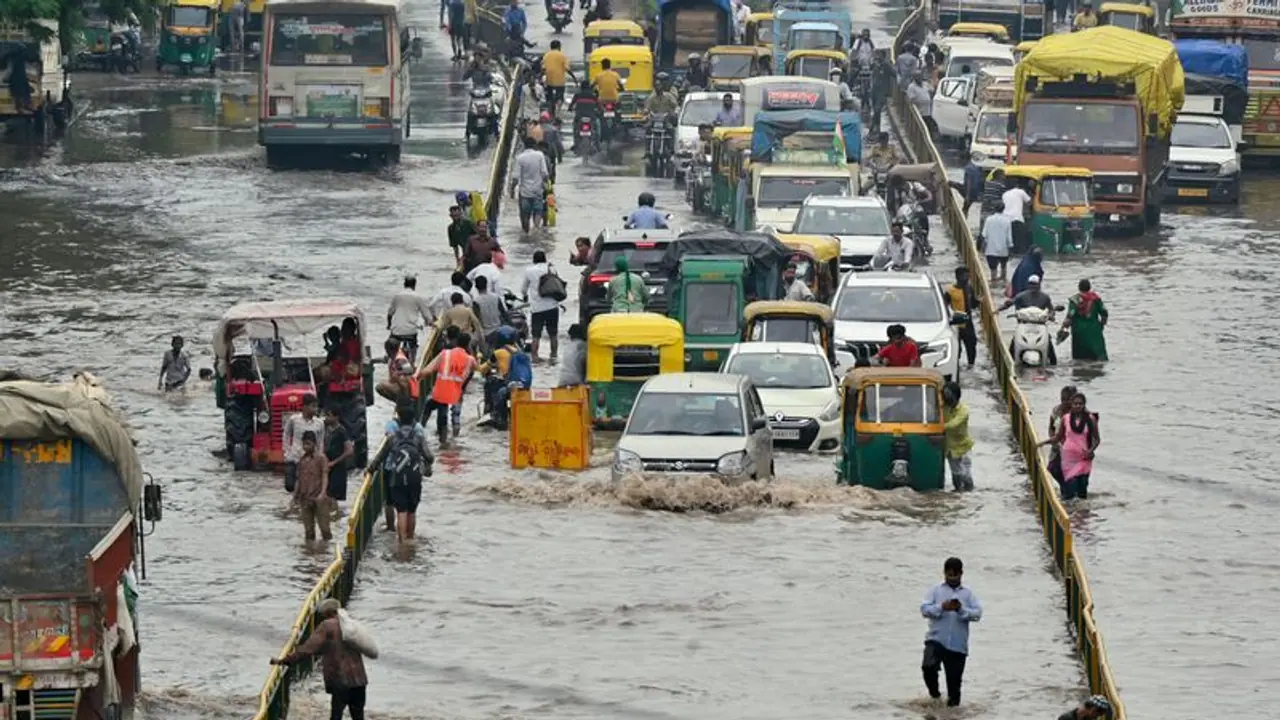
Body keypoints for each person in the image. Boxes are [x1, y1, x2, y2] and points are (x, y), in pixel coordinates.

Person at [269, 598, 370, 719]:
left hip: (342, 680)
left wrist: (285, 660)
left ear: (327, 613)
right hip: (360, 680)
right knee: (358, 715)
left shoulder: (327, 625)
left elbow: (308, 649)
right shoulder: (351, 625)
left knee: (336, 716)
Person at [920, 557, 983, 707]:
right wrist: (941, 607)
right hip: (936, 639)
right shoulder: (936, 590)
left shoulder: (968, 594)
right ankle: (935, 696)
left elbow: (977, 614)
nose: (952, 578)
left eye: (955, 575)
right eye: (949, 575)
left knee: (954, 694)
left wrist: (960, 610)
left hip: (957, 646)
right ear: (944, 573)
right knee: (928, 667)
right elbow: (924, 609)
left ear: (961, 574)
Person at [383, 401, 434, 542]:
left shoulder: (393, 437)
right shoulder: (418, 436)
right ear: (413, 419)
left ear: (398, 417)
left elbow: (381, 456)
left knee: (401, 511)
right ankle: (410, 539)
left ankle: (401, 542)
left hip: (396, 477)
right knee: (412, 510)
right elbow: (429, 456)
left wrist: (370, 469)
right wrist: (427, 466)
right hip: (414, 477)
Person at [416, 335, 476, 446]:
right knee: (444, 413)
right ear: (468, 345)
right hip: (456, 393)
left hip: (441, 389)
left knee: (432, 409)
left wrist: (416, 378)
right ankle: (444, 441)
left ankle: (424, 435)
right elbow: (474, 369)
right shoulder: (470, 360)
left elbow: (428, 371)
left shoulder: (445, 354)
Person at [1039, 392, 1100, 500]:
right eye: (1075, 404)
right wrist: (1043, 443)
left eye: (1080, 404)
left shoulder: (1091, 419)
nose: (1077, 406)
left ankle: (1082, 513)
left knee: (1082, 489)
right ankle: (1067, 511)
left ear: (1084, 405)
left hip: (1083, 458)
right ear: (1071, 404)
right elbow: (1058, 437)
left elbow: (1097, 439)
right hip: (1068, 458)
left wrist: (1091, 450)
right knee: (1070, 488)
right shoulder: (1066, 418)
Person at [521, 250, 561, 362]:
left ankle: (535, 357)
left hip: (537, 308)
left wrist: (525, 296)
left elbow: (523, 289)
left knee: (536, 335)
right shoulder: (552, 268)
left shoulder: (529, 271)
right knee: (553, 334)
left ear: (534, 259)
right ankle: (554, 356)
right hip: (552, 306)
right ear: (545, 259)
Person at [293, 431, 332, 542]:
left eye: (308, 444)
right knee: (309, 532)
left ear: (314, 444)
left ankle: (326, 552)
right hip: (305, 499)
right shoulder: (301, 461)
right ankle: (310, 553)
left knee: (325, 530)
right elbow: (298, 480)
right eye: (304, 444)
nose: (306, 447)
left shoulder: (321, 458)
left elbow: (325, 476)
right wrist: (294, 497)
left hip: (319, 498)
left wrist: (323, 493)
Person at [282, 394, 325, 493]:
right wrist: (287, 452)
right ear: (305, 407)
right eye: (313, 406)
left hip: (311, 460)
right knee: (290, 485)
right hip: (296, 457)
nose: (316, 409)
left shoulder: (319, 424)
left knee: (308, 486)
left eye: (316, 406)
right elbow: (286, 435)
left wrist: (320, 457)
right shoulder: (294, 420)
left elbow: (320, 441)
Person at [386, 276, 434, 363]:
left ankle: (391, 363)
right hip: (411, 331)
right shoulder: (417, 297)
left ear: (404, 284)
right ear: (414, 285)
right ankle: (412, 363)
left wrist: (389, 325)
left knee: (391, 348)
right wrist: (430, 322)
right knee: (413, 348)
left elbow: (390, 314)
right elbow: (427, 315)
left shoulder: (397, 296)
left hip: (397, 331)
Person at [1061, 279, 1108, 361]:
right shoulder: (1096, 299)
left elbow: (1070, 316)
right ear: (1089, 287)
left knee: (1080, 358)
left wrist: (1063, 329)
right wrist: (1101, 326)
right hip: (1094, 330)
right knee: (1098, 356)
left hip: (1079, 331)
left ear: (1079, 288)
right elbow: (1104, 313)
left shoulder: (1074, 300)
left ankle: (1080, 372)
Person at [511, 137, 550, 233]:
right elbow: (544, 173)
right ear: (534, 145)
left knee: (525, 215)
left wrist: (512, 190)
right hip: (538, 190)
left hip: (524, 192)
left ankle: (526, 233)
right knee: (538, 211)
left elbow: (516, 177)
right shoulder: (540, 155)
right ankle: (536, 229)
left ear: (525, 145)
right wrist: (547, 186)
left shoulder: (520, 158)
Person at [944, 267, 979, 367]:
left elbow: (972, 304)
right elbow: (944, 306)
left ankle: (971, 365)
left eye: (968, 276)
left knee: (972, 344)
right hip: (956, 324)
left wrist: (978, 301)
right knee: (956, 347)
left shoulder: (969, 288)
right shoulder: (950, 291)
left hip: (968, 322)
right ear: (957, 277)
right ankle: (956, 366)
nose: (967, 279)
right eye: (964, 276)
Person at [942, 383, 974, 491]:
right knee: (955, 474)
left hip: (963, 446)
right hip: (950, 447)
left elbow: (954, 424)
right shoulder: (943, 408)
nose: (945, 397)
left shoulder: (963, 410)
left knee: (966, 474)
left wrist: (938, 427)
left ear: (955, 395)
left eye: (948, 394)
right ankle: (958, 495)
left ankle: (969, 494)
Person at [1047, 384, 1077, 487]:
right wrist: (1052, 438)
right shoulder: (1056, 410)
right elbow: (1051, 426)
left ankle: (1069, 497)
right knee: (1052, 468)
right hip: (1057, 448)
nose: (1066, 402)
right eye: (1064, 399)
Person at [323, 406, 354, 506]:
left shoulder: (342, 431)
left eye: (329, 416)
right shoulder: (326, 429)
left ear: (336, 417)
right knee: (327, 496)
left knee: (333, 498)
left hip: (337, 469)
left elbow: (349, 451)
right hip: (327, 466)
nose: (326, 418)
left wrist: (334, 462)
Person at [979, 202, 1013, 281]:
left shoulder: (989, 219)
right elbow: (1009, 237)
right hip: (1003, 250)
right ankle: (1003, 283)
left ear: (994, 209)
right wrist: (1010, 248)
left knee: (993, 271)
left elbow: (984, 235)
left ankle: (993, 286)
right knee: (1003, 267)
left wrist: (982, 248)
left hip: (991, 249)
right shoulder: (1007, 221)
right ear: (1003, 209)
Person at [471, 275, 507, 347]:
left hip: (486, 333)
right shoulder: (496, 297)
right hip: (498, 330)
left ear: (476, 286)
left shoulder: (476, 301)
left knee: (471, 345)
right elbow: (504, 314)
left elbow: (477, 321)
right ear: (487, 284)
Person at [1002, 179, 1032, 253]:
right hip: (1017, 219)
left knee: (1010, 242)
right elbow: (1029, 202)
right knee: (1020, 242)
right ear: (1017, 185)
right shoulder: (1020, 191)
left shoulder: (1005, 194)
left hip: (1005, 219)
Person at [868, 49, 894, 132]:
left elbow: (894, 73)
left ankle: (872, 127)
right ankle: (877, 128)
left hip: (882, 92)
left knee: (877, 109)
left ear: (883, 56)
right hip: (874, 91)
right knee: (876, 111)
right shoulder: (875, 65)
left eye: (879, 55)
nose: (878, 56)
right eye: (877, 55)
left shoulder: (886, 66)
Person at [906, 73, 937, 139]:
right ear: (915, 78)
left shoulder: (925, 84)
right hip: (919, 112)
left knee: (928, 127)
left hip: (928, 111)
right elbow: (911, 99)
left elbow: (932, 90)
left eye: (920, 77)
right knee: (920, 128)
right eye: (918, 77)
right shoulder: (911, 87)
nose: (919, 79)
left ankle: (930, 138)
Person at [961, 152, 984, 217]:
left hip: (969, 191)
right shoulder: (976, 167)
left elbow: (969, 182)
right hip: (976, 192)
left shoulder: (968, 168)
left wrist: (967, 196)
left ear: (964, 160)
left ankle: (964, 221)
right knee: (966, 208)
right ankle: (965, 218)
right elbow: (981, 179)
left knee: (952, 183)